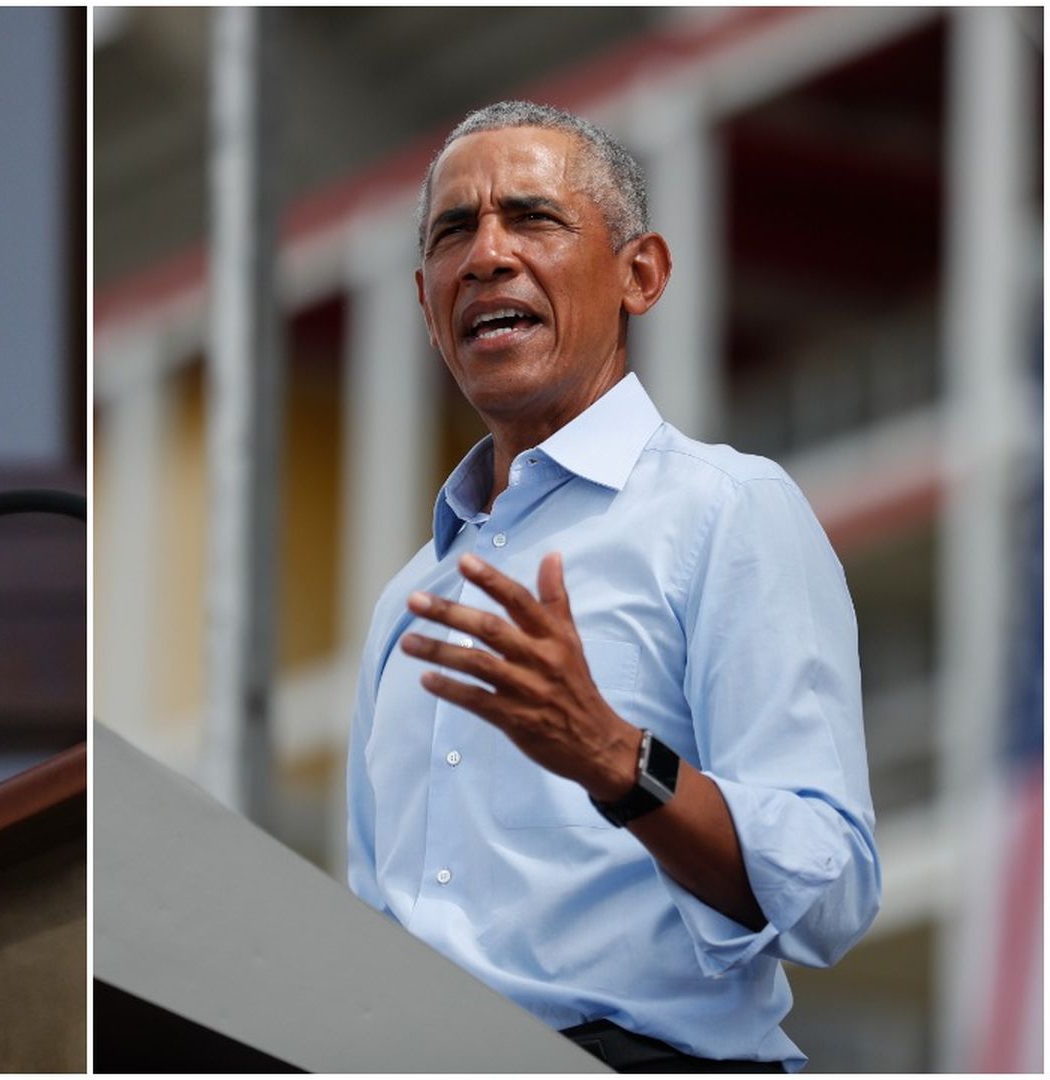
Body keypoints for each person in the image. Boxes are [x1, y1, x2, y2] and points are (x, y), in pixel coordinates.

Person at [346, 101, 879, 1072]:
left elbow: (831, 887)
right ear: (427, 309)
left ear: (642, 275)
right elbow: (376, 923)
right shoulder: (406, 603)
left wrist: (618, 761)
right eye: (452, 233)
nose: (486, 257)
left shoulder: (725, 511)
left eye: (533, 218)